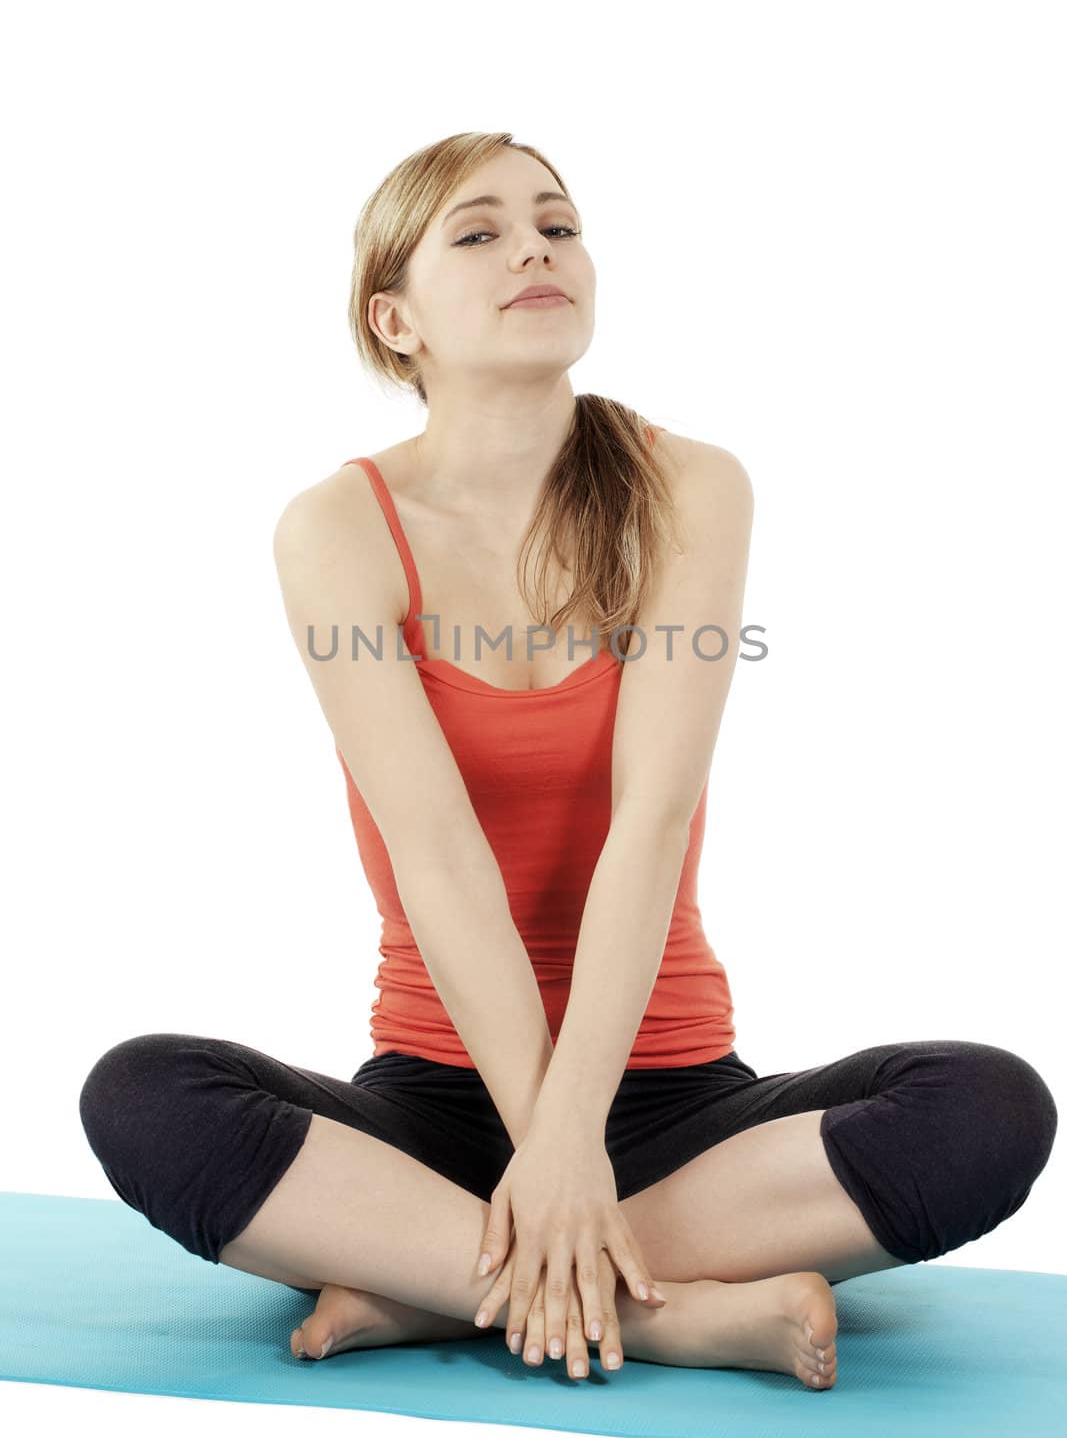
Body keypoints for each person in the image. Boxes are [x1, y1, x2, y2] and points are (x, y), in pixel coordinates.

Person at [79, 131, 1057, 1393]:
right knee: (143, 1093)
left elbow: (649, 822)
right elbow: (438, 859)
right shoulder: (338, 529)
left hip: (672, 1102)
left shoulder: (684, 486)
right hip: (430, 1105)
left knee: (988, 1109)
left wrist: (572, 1144)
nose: (535, 245)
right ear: (395, 318)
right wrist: (538, 1143)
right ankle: (660, 1313)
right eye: (477, 233)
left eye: (557, 222)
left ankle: (436, 1283)